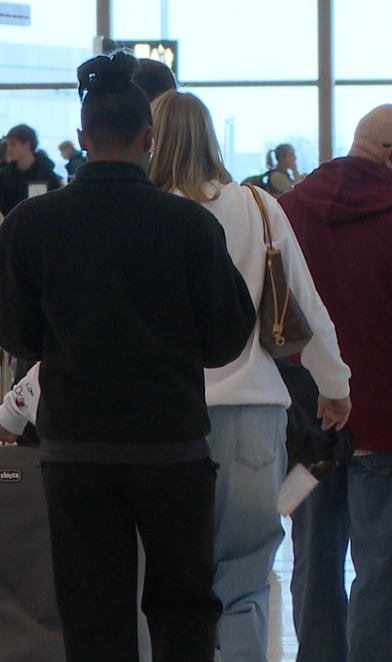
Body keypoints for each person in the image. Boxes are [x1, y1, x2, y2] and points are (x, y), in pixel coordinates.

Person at [0, 52, 256, 662]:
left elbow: (14, 331)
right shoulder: (187, 225)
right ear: (148, 138)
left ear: (80, 140)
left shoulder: (31, 224)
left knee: (92, 608)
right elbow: (226, 338)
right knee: (184, 606)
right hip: (172, 445)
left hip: (76, 448)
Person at [145, 90, 350, 662]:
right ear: (211, 138)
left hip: (160, 419)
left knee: (158, 584)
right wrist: (335, 388)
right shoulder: (258, 206)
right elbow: (305, 309)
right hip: (252, 417)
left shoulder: (141, 213)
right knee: (243, 581)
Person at [278, 104, 392, 662]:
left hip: (306, 423)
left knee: (315, 558)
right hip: (384, 423)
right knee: (381, 569)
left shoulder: (288, 208)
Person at [0, 123, 62, 215]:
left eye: (13, 144)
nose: (8, 149)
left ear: (27, 145)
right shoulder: (5, 176)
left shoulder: (48, 176)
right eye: (7, 144)